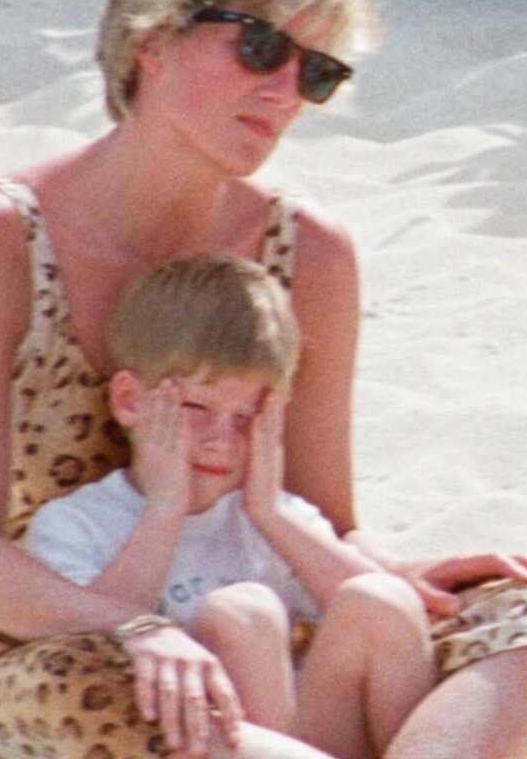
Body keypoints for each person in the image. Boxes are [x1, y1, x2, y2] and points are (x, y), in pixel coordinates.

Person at [0, 0, 527, 757]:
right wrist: (129, 626)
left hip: (251, 622)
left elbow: (317, 510)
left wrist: (403, 570)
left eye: (318, 72)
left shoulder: (312, 252)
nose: (287, 91)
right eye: (262, 48)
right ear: (152, 41)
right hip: (41, 639)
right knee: (142, 687)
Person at [23, 253, 437, 759]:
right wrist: (165, 510)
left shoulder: (273, 515)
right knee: (243, 612)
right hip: (194, 742)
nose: (223, 441)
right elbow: (98, 646)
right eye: (197, 409)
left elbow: (391, 613)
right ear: (130, 400)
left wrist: (269, 512)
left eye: (246, 418)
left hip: (308, 739)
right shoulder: (75, 524)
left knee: (379, 597)